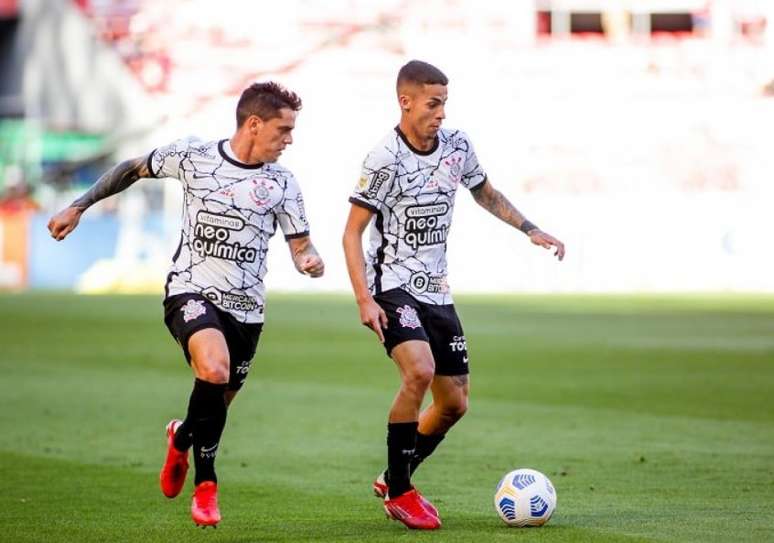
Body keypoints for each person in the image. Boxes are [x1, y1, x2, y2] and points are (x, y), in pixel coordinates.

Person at [48, 82, 324, 527]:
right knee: (213, 369)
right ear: (254, 124)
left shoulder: (282, 184)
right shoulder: (195, 156)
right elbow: (131, 168)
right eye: (283, 129)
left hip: (247, 312)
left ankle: (182, 437)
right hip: (190, 291)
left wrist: (309, 260)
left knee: (214, 404)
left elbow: (301, 245)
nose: (289, 139)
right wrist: (78, 206)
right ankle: (207, 484)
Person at [342, 60, 565, 530]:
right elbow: (352, 234)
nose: (441, 112)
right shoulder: (384, 158)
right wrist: (364, 298)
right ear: (406, 102)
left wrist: (530, 229)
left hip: (437, 291)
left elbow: (485, 192)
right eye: (433, 103)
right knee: (418, 370)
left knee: (454, 404)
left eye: (445, 102)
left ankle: (393, 476)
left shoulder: (457, 147)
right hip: (392, 286)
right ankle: (401, 492)